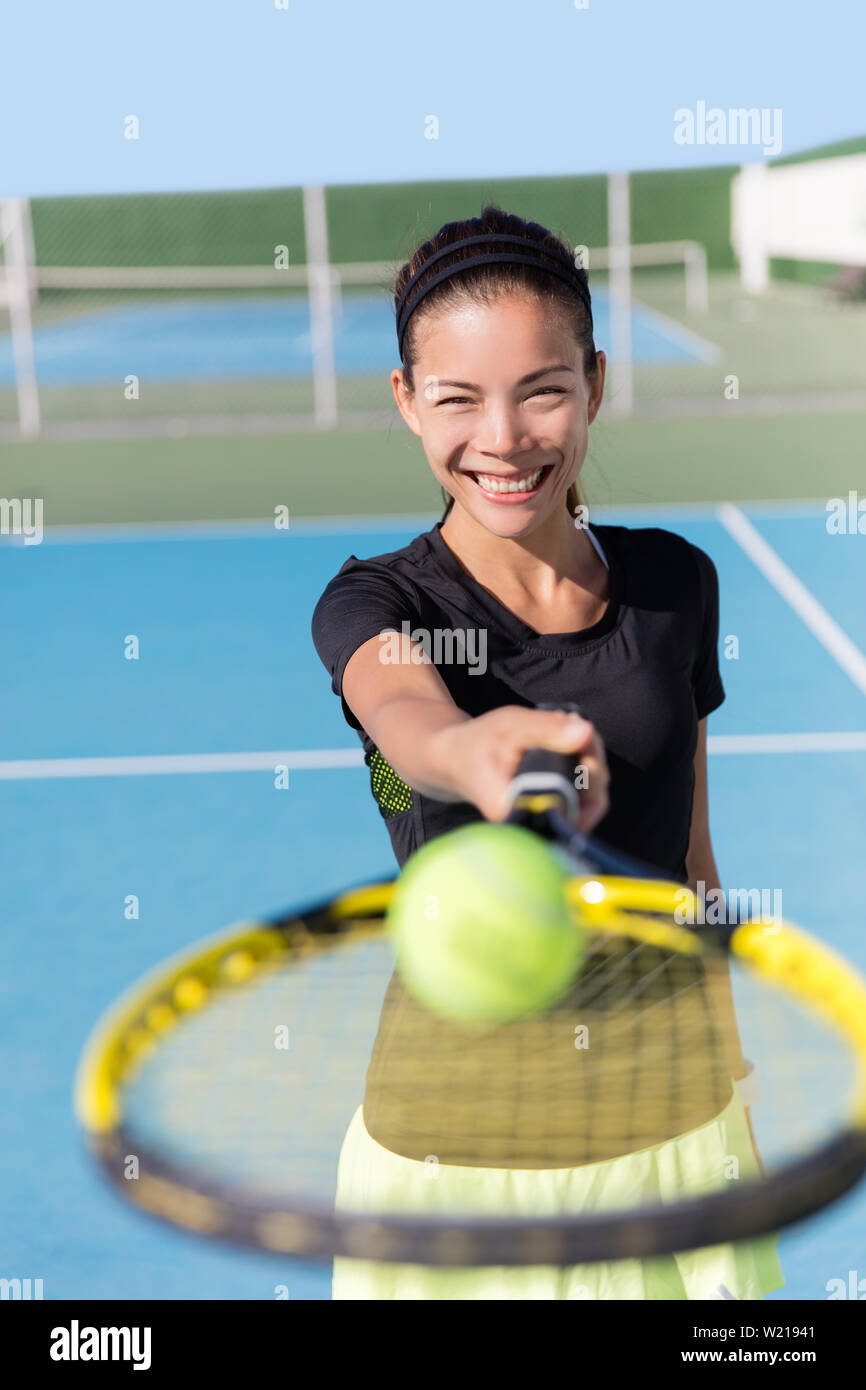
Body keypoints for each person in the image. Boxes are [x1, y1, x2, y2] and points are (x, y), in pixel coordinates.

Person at [312, 205, 782, 1300]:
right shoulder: (373, 603)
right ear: (405, 400)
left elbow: (690, 857)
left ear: (595, 385)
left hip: (673, 1124)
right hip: (454, 1153)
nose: (504, 437)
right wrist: (472, 750)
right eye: (457, 398)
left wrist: (726, 1057)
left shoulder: (675, 584)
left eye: (541, 391)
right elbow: (404, 712)